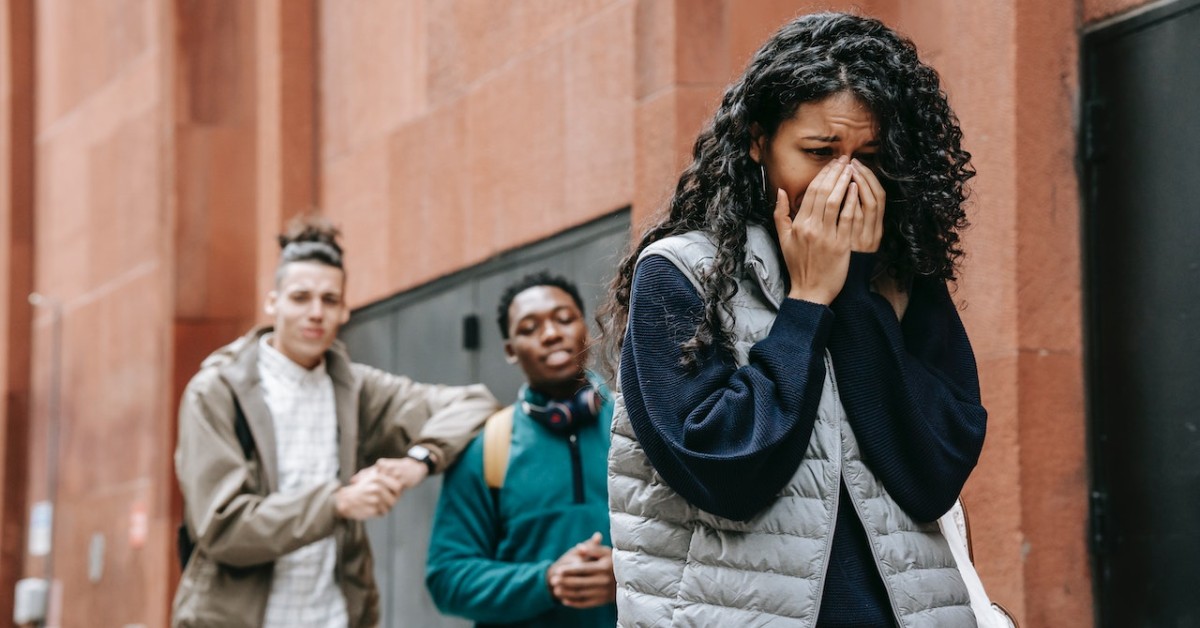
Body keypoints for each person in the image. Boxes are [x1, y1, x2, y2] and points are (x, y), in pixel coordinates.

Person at [600, 12, 988, 628]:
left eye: (869, 157)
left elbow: (932, 474)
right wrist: (807, 303)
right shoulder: (681, 272)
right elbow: (722, 473)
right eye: (819, 152)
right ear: (758, 141)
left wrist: (854, 293)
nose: (844, 181)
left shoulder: (901, 277)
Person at [172, 216, 498, 627]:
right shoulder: (216, 392)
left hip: (334, 616)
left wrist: (418, 461)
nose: (315, 313)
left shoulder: (355, 389)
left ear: (344, 310)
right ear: (273, 303)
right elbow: (223, 527)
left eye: (329, 300)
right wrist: (337, 503)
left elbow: (474, 403)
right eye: (300, 298)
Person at [426, 272, 617, 627]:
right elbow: (447, 578)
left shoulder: (635, 428)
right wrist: (545, 582)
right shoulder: (486, 448)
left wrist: (628, 575)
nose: (551, 334)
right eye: (530, 328)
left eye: (564, 319)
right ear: (511, 350)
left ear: (586, 329)